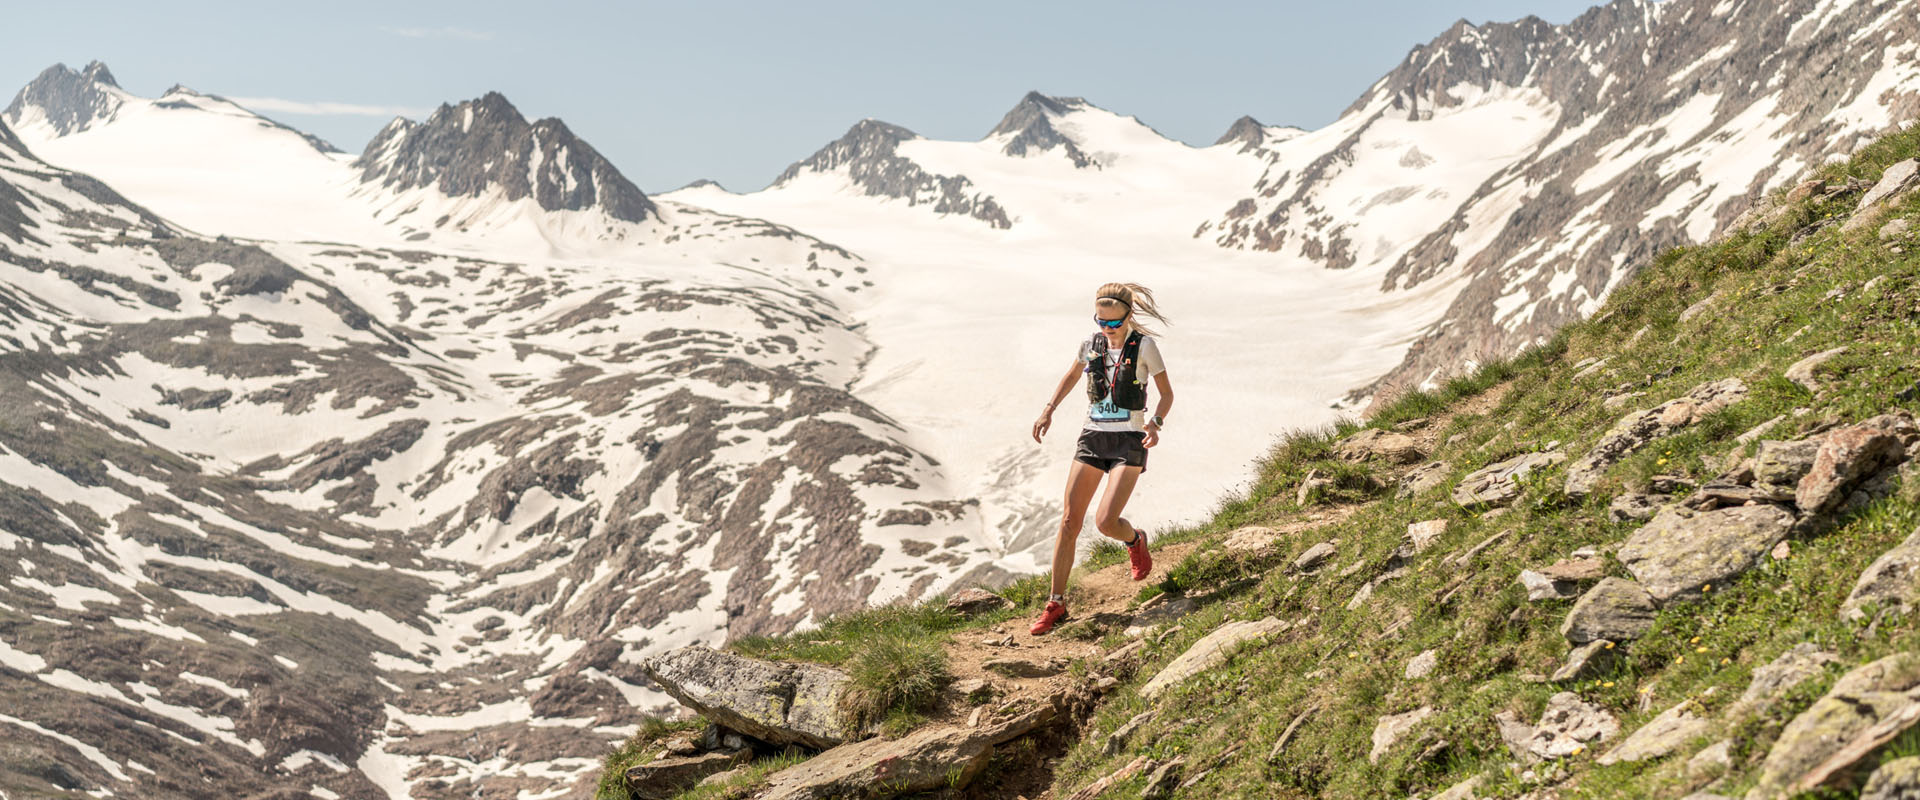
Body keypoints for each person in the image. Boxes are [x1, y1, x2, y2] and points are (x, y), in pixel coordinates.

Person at [1027, 283, 1173, 635]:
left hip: (1129, 439)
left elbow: (1167, 394)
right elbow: (1073, 375)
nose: (1107, 330)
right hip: (1093, 437)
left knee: (1106, 521)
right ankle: (1056, 603)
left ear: (1127, 316)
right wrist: (1048, 410)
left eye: (1113, 324)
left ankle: (1135, 540)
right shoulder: (1089, 345)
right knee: (1068, 521)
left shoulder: (1145, 347)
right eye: (1101, 322)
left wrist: (1156, 423)